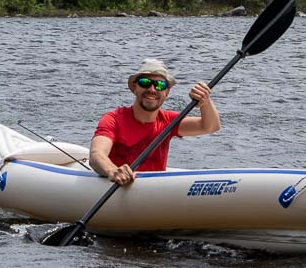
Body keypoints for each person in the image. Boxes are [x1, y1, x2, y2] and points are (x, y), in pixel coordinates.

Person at [88, 58, 219, 186]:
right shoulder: (114, 119)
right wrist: (112, 170)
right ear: (134, 87)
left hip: (153, 190)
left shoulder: (169, 121)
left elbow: (210, 126)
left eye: (159, 85)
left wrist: (205, 102)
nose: (152, 89)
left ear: (167, 92)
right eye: (145, 82)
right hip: (117, 186)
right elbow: (96, 154)